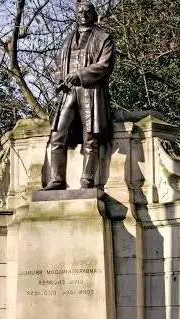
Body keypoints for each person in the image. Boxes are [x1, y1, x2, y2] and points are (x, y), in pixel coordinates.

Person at [43, 1, 115, 190]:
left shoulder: (104, 37)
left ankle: (87, 180)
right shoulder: (67, 40)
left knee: (90, 137)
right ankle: (57, 179)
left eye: (87, 11)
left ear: (94, 14)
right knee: (57, 134)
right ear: (76, 15)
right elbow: (59, 66)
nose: (83, 14)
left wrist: (79, 75)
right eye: (80, 11)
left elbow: (105, 66)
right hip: (68, 93)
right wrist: (60, 79)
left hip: (90, 93)